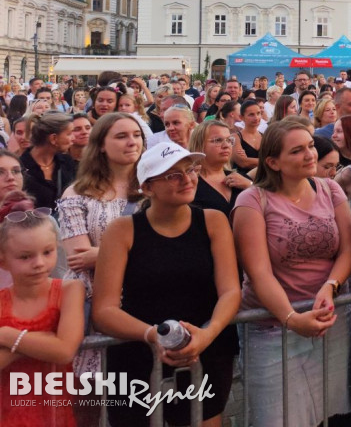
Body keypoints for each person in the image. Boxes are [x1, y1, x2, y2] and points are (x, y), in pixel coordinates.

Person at [93, 143, 241, 427]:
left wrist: (206, 335)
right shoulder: (122, 231)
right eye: (172, 175)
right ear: (147, 187)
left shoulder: (213, 221)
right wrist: (153, 335)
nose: (187, 179)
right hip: (137, 360)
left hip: (205, 353)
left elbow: (231, 290)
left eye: (190, 170)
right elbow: (104, 310)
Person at [232, 116, 351, 427]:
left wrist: (331, 286)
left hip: (328, 319)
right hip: (272, 327)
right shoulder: (252, 200)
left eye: (311, 146)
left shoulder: (330, 189)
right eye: (298, 150)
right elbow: (258, 273)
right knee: (278, 417)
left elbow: (348, 250)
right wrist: (291, 318)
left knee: (324, 412)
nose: (310, 154)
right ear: (273, 162)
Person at [58, 113, 145, 382]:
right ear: (102, 145)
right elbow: (80, 258)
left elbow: (167, 249)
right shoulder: (77, 194)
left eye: (136, 135)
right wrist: (138, 252)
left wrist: (104, 254)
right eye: (121, 136)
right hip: (94, 304)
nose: (132, 142)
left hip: (144, 301)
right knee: (91, 401)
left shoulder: (155, 188)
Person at [0, 193, 86, 427]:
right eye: (25, 257)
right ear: (3, 260)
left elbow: (64, 350)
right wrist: (42, 341)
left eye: (47, 252)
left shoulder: (69, 290)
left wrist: (8, 337)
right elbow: (56, 347)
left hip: (52, 412)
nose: (39, 263)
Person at [190, 119, 253, 216]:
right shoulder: (190, 182)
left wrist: (250, 185)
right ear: (199, 145)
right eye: (218, 140)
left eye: (229, 140)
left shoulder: (240, 178)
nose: (226, 145)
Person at [20, 112, 76, 211]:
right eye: (69, 134)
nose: (73, 138)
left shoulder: (67, 162)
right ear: (53, 138)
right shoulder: (20, 168)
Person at [234, 99, 264, 173]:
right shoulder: (236, 137)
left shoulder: (265, 137)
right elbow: (243, 162)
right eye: (251, 114)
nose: (256, 118)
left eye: (258, 113)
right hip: (243, 178)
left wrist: (249, 160)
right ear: (241, 117)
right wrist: (266, 161)